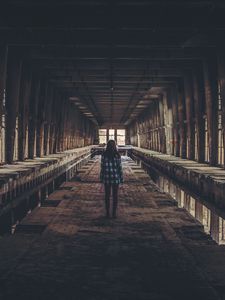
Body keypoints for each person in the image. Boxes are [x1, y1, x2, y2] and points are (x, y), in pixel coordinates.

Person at [100, 140, 123, 218]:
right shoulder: (117, 155)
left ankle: (107, 213)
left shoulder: (104, 155)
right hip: (115, 178)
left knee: (107, 196)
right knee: (115, 196)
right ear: (115, 146)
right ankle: (114, 213)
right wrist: (121, 178)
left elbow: (102, 167)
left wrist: (101, 177)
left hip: (107, 178)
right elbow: (119, 168)